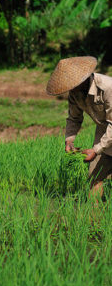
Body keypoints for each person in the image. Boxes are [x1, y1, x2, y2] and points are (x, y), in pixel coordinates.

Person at [46, 56, 112, 197]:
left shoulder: (107, 88)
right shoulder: (75, 94)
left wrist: (96, 149)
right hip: (104, 131)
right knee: (95, 177)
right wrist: (69, 140)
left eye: (74, 85)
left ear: (84, 78)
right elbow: (74, 118)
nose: (72, 89)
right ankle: (93, 215)